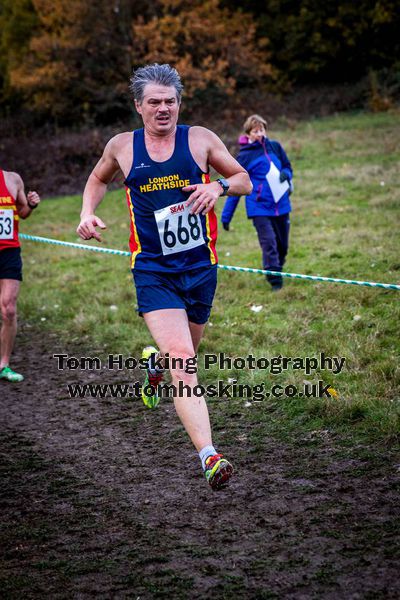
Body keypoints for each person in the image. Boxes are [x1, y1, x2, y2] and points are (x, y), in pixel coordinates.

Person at [77, 63, 252, 489]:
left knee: (182, 354)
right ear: (139, 106)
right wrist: (87, 211)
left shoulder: (200, 139)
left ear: (179, 103)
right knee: (184, 361)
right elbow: (98, 178)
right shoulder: (122, 146)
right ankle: (210, 456)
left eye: (170, 101)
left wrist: (218, 188)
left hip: (200, 268)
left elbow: (243, 178)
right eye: (153, 102)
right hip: (153, 270)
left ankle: (154, 365)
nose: (163, 109)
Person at [221, 114, 293, 291]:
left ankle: (277, 269)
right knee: (269, 243)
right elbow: (236, 186)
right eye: (255, 131)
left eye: (262, 129)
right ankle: (275, 281)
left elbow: (287, 166)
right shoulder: (245, 156)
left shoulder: (275, 146)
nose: (260, 133)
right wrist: (226, 216)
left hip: (281, 204)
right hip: (259, 207)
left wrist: (286, 174)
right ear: (248, 134)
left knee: (282, 245)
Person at [0, 169, 40, 382]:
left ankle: (3, 365)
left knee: (8, 309)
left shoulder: (13, 179)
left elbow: (22, 212)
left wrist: (31, 204)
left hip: (9, 252)